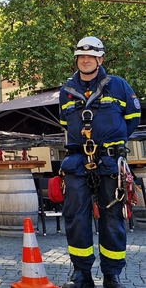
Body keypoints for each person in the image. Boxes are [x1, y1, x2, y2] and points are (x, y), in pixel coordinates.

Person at [59, 36, 141, 288]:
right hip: (76, 160)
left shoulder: (118, 85)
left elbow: (133, 118)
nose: (86, 60)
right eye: (82, 56)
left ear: (100, 59)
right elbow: (65, 125)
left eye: (92, 56)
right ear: (76, 60)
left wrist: (112, 142)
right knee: (76, 218)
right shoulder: (66, 91)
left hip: (110, 162)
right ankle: (81, 274)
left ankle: (111, 275)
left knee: (113, 217)